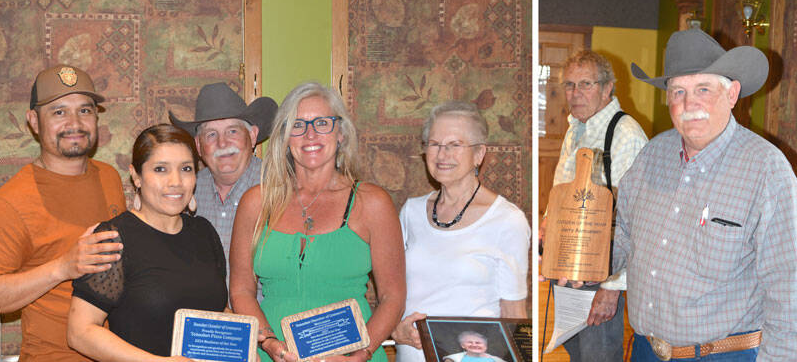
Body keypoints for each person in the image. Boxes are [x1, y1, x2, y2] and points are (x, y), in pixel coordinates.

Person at [617, 28, 797, 361]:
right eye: (678, 90)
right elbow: (622, 235)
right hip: (644, 351)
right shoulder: (651, 156)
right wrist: (579, 253)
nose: (689, 104)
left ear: (732, 93)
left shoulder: (767, 170)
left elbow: (793, 296)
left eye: (703, 89)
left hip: (721, 355)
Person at [229, 81, 405, 362]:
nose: (310, 134)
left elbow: (392, 297)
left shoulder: (372, 203)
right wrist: (271, 343)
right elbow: (240, 290)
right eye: (297, 125)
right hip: (271, 354)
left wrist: (359, 356)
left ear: (341, 133)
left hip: (351, 357)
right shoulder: (256, 203)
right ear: (285, 137)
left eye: (322, 123)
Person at [0, 64, 126, 361]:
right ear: (33, 122)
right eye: (59, 112)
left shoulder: (110, 177)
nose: (75, 123)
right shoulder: (10, 202)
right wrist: (62, 267)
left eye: (85, 110)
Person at [67, 124, 226, 360]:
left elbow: (215, 311)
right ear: (136, 176)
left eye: (186, 168)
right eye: (161, 169)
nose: (176, 181)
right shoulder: (113, 238)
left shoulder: (204, 232)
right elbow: (80, 332)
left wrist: (244, 343)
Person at [391, 101, 530, 362]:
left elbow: (514, 312)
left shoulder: (507, 220)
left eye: (455, 145)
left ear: (479, 154)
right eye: (434, 144)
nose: (442, 154)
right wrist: (395, 327)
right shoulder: (411, 212)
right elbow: (394, 291)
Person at [539, 50, 648, 361]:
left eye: (585, 84)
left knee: (598, 353)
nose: (575, 94)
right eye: (570, 85)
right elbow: (563, 185)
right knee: (575, 348)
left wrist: (613, 287)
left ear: (607, 87)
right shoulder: (577, 128)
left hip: (604, 266)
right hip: (569, 260)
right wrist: (548, 223)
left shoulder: (625, 134)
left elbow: (638, 219)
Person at [169, 83, 277, 287]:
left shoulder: (281, 188)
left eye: (233, 131)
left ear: (253, 136)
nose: (222, 143)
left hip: (264, 316)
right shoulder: (182, 193)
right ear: (199, 146)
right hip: (201, 316)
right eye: (211, 135)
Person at [442, 331, 507, 362]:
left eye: (478, 343)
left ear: (485, 346)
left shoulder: (497, 360)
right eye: (470, 342)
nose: (474, 345)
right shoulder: (453, 359)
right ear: (463, 345)